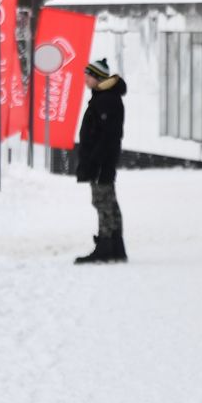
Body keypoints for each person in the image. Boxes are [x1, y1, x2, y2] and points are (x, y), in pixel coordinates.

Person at [74, 58, 128, 265]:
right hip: (102, 161)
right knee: (108, 202)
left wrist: (94, 161)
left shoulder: (106, 100)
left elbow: (107, 136)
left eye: (88, 76)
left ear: (97, 77)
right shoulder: (105, 97)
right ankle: (115, 246)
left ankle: (106, 246)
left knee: (103, 202)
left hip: (101, 162)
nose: (85, 79)